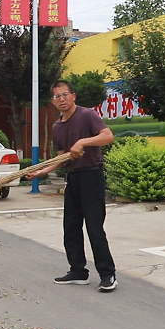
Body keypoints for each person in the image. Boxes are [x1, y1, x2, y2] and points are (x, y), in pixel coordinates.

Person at [26, 80, 118, 292]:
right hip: (73, 178)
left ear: (73, 96)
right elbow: (61, 157)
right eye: (57, 96)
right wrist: (42, 171)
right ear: (53, 101)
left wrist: (83, 142)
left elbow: (108, 136)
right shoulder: (57, 126)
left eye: (65, 94)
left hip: (91, 177)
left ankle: (108, 274)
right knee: (71, 227)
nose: (61, 99)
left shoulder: (87, 115)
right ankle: (78, 271)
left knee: (94, 228)